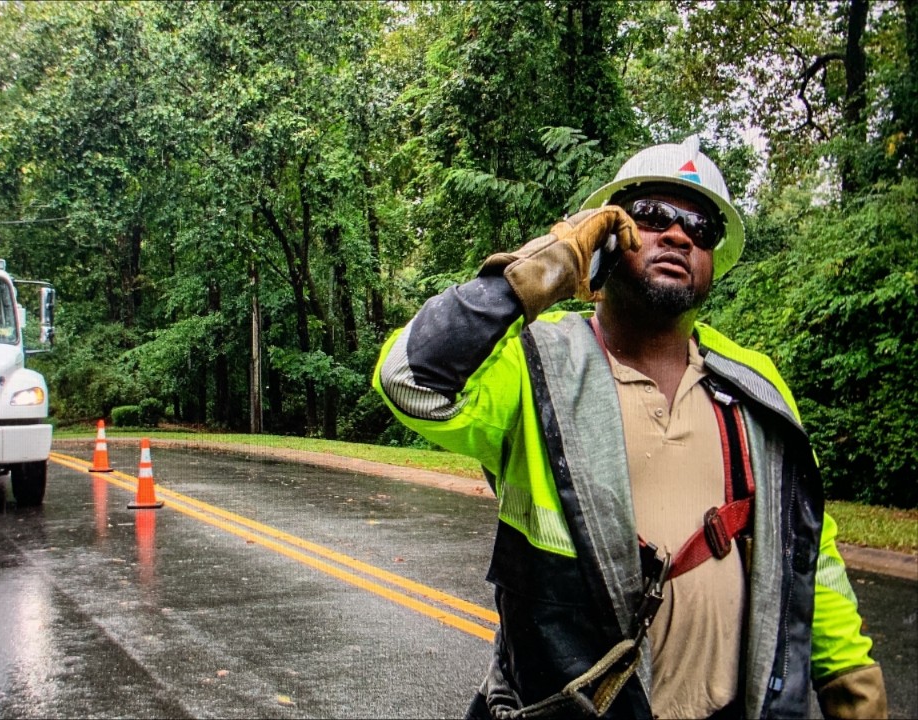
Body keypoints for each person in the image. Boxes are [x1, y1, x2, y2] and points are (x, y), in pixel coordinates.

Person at [374, 137, 886, 719]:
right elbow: (407, 378)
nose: (678, 234)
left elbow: (807, 552)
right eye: (652, 215)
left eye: (701, 226)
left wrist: (853, 687)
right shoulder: (535, 363)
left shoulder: (754, 384)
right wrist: (542, 266)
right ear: (608, 237)